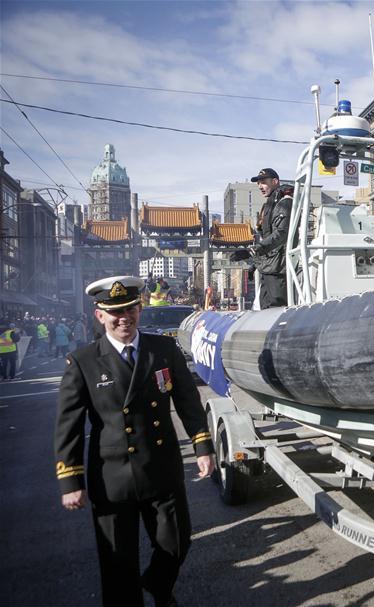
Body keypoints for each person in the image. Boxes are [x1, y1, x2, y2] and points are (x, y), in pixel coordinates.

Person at [54, 275, 215, 606]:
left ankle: (157, 583)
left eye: (130, 309)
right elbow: (68, 424)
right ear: (99, 316)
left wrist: (202, 446)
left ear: (140, 309)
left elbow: (187, 401)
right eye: (115, 312)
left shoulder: (164, 350)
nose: (123, 318)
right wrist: (70, 479)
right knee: (118, 565)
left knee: (177, 544)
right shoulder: (83, 362)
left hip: (161, 467)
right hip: (113, 478)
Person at [229, 168, 293, 309]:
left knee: (276, 309)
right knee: (266, 309)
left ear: (275, 181)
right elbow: (269, 238)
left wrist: (252, 252)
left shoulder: (284, 203)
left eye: (263, 182)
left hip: (278, 269)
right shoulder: (270, 204)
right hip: (269, 268)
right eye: (258, 183)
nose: (260, 187)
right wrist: (255, 264)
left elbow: (281, 235)